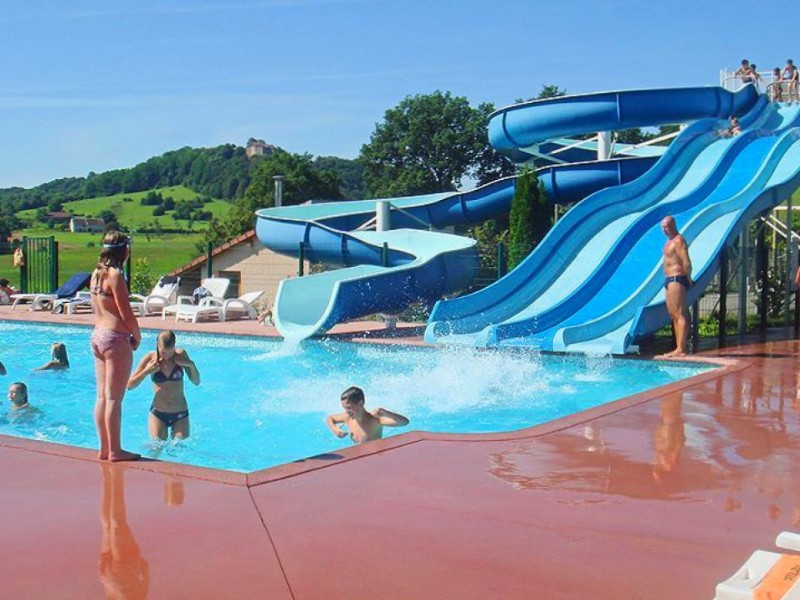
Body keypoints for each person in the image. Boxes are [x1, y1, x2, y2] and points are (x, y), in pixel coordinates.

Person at [89, 231, 142, 462]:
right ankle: (115, 451)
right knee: (113, 399)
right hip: (115, 338)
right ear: (123, 251)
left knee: (101, 397)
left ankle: (104, 448)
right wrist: (137, 334)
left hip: (97, 335)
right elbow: (126, 312)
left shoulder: (96, 274)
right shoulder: (115, 275)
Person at [128, 330, 200, 440]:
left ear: (174, 346)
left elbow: (196, 381)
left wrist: (191, 365)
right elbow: (130, 386)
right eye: (163, 352)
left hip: (180, 413)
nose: (167, 356)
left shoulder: (181, 355)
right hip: (158, 414)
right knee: (156, 448)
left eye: (170, 352)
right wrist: (146, 371)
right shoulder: (150, 358)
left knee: (179, 449)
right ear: (157, 345)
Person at [659, 216, 693, 358]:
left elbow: (686, 261)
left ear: (673, 225)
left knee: (679, 313)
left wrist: (688, 277)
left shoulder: (679, 241)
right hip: (669, 279)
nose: (664, 230)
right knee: (673, 315)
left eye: (666, 227)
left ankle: (681, 348)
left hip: (676, 278)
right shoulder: (668, 243)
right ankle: (678, 347)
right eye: (662, 228)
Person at [326, 386, 409, 444]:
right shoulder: (348, 418)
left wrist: (385, 412)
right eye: (345, 408)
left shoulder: (375, 421)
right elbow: (330, 418)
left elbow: (404, 422)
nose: (347, 412)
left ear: (361, 404)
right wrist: (334, 429)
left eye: (349, 408)